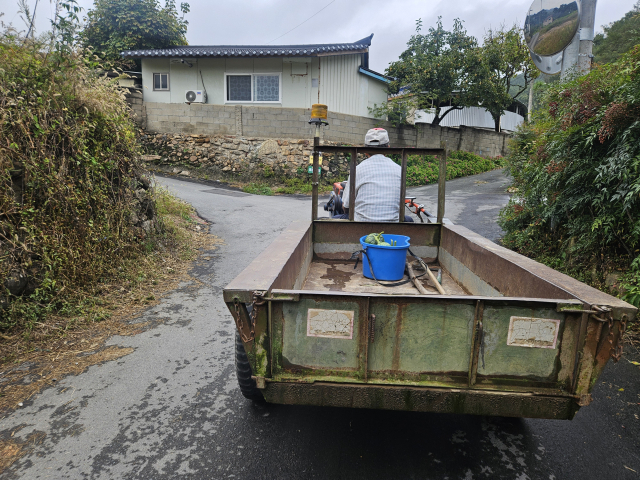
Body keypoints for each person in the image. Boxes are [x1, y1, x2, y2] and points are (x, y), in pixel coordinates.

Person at [334, 128, 413, 222]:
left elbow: (346, 207)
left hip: (361, 225)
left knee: (332, 219)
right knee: (409, 219)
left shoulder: (357, 169)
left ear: (365, 151)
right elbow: (400, 204)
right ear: (388, 148)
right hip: (393, 225)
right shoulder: (399, 169)